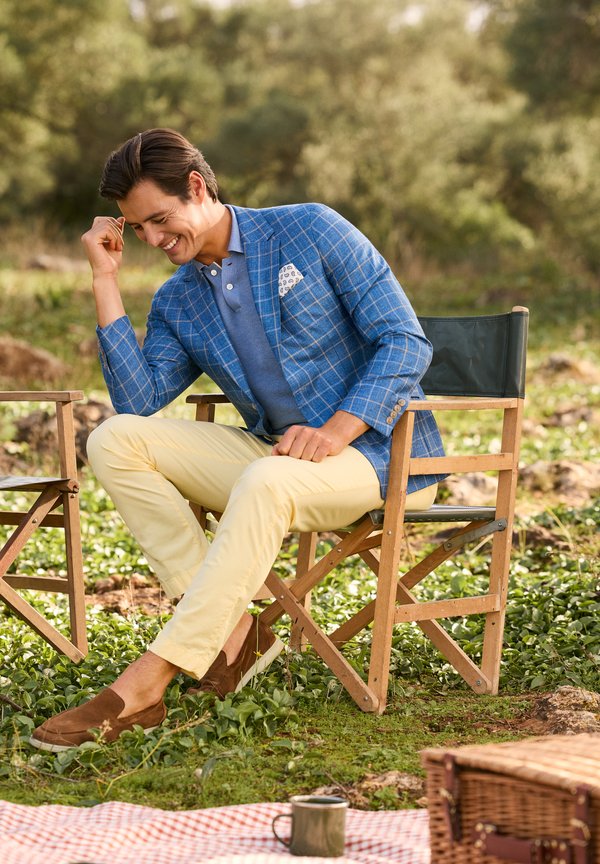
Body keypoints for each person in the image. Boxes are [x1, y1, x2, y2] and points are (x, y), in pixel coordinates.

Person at [30, 128, 446, 751]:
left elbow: (405, 342)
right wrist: (105, 280)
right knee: (115, 439)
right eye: (137, 228)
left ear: (197, 187)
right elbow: (138, 401)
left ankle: (150, 679)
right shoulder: (178, 299)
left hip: (383, 456)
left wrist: (337, 429)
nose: (153, 240)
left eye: (160, 219)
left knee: (266, 478)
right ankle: (232, 638)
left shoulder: (310, 228)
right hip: (277, 457)